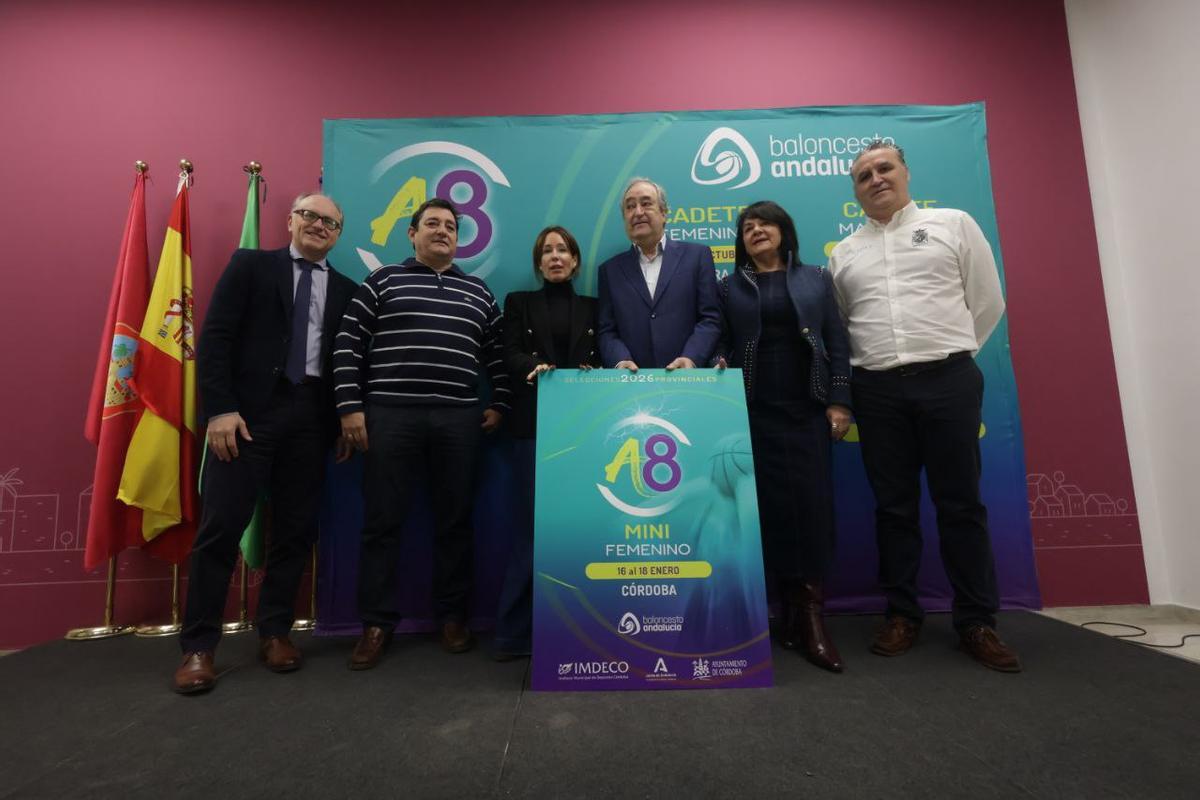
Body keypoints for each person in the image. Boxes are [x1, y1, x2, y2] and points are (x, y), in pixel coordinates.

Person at [828, 140, 1020, 672]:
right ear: (855, 190)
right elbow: (843, 327)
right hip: (877, 390)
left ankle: (976, 620)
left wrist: (946, 355)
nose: (875, 179)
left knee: (960, 504)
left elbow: (987, 301)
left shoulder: (954, 224)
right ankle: (901, 613)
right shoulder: (844, 253)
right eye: (863, 175)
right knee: (894, 508)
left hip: (948, 380)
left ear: (906, 173)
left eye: (884, 168)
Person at [174, 193, 356, 694]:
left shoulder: (346, 289)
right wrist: (220, 410)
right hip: (246, 418)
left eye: (331, 222)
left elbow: (345, 362)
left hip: (312, 419)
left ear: (339, 233)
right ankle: (199, 646)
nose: (320, 226)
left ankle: (275, 631)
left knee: (295, 532)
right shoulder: (251, 266)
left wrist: (343, 418)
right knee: (221, 529)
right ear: (291, 220)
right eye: (311, 217)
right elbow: (214, 340)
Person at [336, 197, 511, 669]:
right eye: (431, 224)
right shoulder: (382, 281)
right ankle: (376, 623)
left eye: (450, 226)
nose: (442, 231)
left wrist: (499, 403)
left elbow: (496, 356)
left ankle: (452, 617)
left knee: (455, 523)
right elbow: (348, 344)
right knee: (382, 522)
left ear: (459, 238)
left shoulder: (479, 292)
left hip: (459, 419)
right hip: (390, 416)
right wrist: (349, 408)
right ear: (411, 234)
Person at [713, 201, 852, 673]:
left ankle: (810, 616)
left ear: (783, 230)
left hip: (807, 411)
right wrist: (716, 360)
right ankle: (783, 614)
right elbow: (720, 340)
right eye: (747, 227)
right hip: (751, 414)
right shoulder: (728, 286)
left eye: (764, 223)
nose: (755, 231)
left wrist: (839, 400)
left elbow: (837, 342)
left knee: (811, 511)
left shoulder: (816, 277)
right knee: (766, 514)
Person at [495, 226, 599, 660]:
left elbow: (607, 355)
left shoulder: (596, 307)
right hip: (533, 428)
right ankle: (513, 636)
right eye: (547, 251)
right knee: (529, 533)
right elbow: (509, 353)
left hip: (585, 432)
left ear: (575, 261)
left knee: (581, 532)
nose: (555, 257)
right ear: (539, 263)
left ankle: (583, 629)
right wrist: (537, 367)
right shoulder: (519, 303)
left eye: (563, 250)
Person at [596, 177, 720, 370]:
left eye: (646, 204)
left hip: (689, 382)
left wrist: (691, 358)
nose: (638, 212)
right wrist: (620, 360)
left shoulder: (698, 257)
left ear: (664, 213)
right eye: (629, 207)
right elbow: (607, 330)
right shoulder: (609, 271)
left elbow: (710, 319)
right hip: (634, 385)